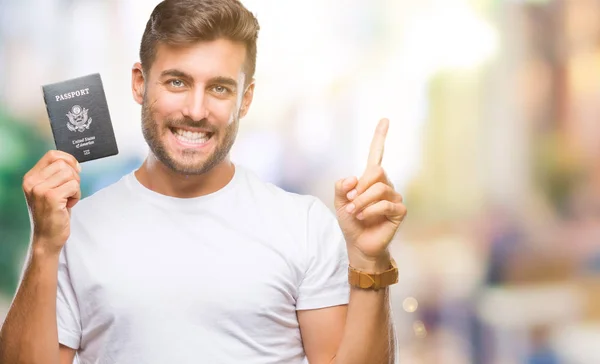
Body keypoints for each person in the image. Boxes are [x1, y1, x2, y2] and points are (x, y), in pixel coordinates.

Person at [0, 0, 407, 363]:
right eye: (177, 82)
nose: (196, 110)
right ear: (140, 83)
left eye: (219, 88)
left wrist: (370, 259)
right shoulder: (76, 229)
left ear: (244, 99)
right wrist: (44, 246)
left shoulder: (304, 225)